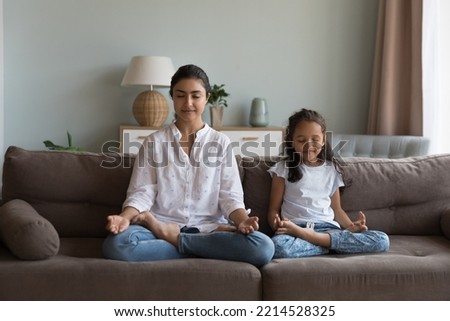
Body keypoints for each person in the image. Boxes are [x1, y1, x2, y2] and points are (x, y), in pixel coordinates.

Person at [102, 64, 274, 267]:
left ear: (207, 97)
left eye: (196, 95)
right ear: (172, 97)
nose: (188, 103)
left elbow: (230, 196)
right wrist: (124, 218)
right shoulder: (154, 142)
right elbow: (142, 192)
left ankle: (176, 241)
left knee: (263, 247)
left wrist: (242, 220)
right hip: (159, 223)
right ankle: (199, 248)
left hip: (207, 229)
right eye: (180, 95)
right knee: (117, 244)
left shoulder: (220, 143)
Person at [267, 108, 389, 258]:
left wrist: (352, 226)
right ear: (291, 140)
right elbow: (273, 210)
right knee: (277, 247)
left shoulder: (331, 170)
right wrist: (278, 225)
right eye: (301, 140)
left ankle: (319, 240)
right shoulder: (282, 169)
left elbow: (337, 210)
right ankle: (329, 245)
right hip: (295, 229)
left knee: (382, 240)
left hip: (327, 229)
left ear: (323, 140)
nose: (308, 145)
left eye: (315, 140)